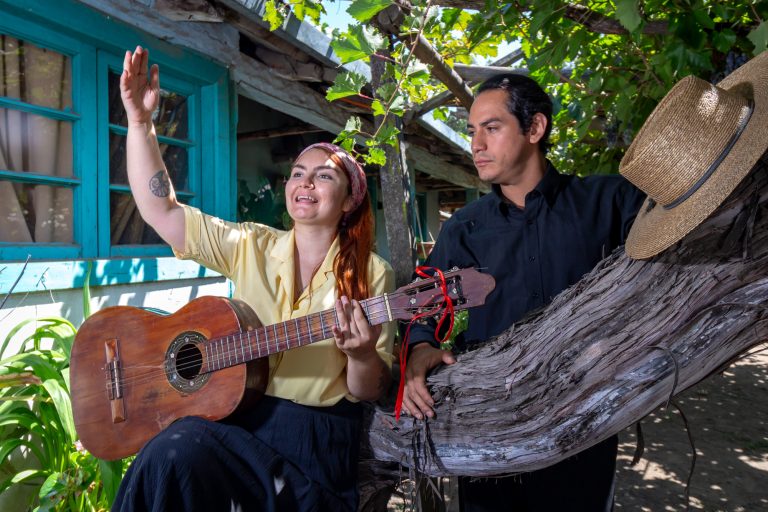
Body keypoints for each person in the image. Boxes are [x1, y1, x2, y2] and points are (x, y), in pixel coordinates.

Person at [112, 46, 395, 512]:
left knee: (178, 448)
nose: (305, 182)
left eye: (323, 176)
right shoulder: (250, 244)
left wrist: (362, 354)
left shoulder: (372, 272)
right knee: (172, 451)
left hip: (315, 446)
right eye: (298, 173)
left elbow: (369, 389)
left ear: (348, 201)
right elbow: (162, 211)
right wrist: (140, 123)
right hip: (240, 423)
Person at [401, 73, 645, 511]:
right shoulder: (464, 228)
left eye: (491, 128)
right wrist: (420, 347)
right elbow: (425, 305)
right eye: (472, 131)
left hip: (583, 422)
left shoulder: (610, 201)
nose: (476, 144)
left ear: (534, 128)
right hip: (488, 425)